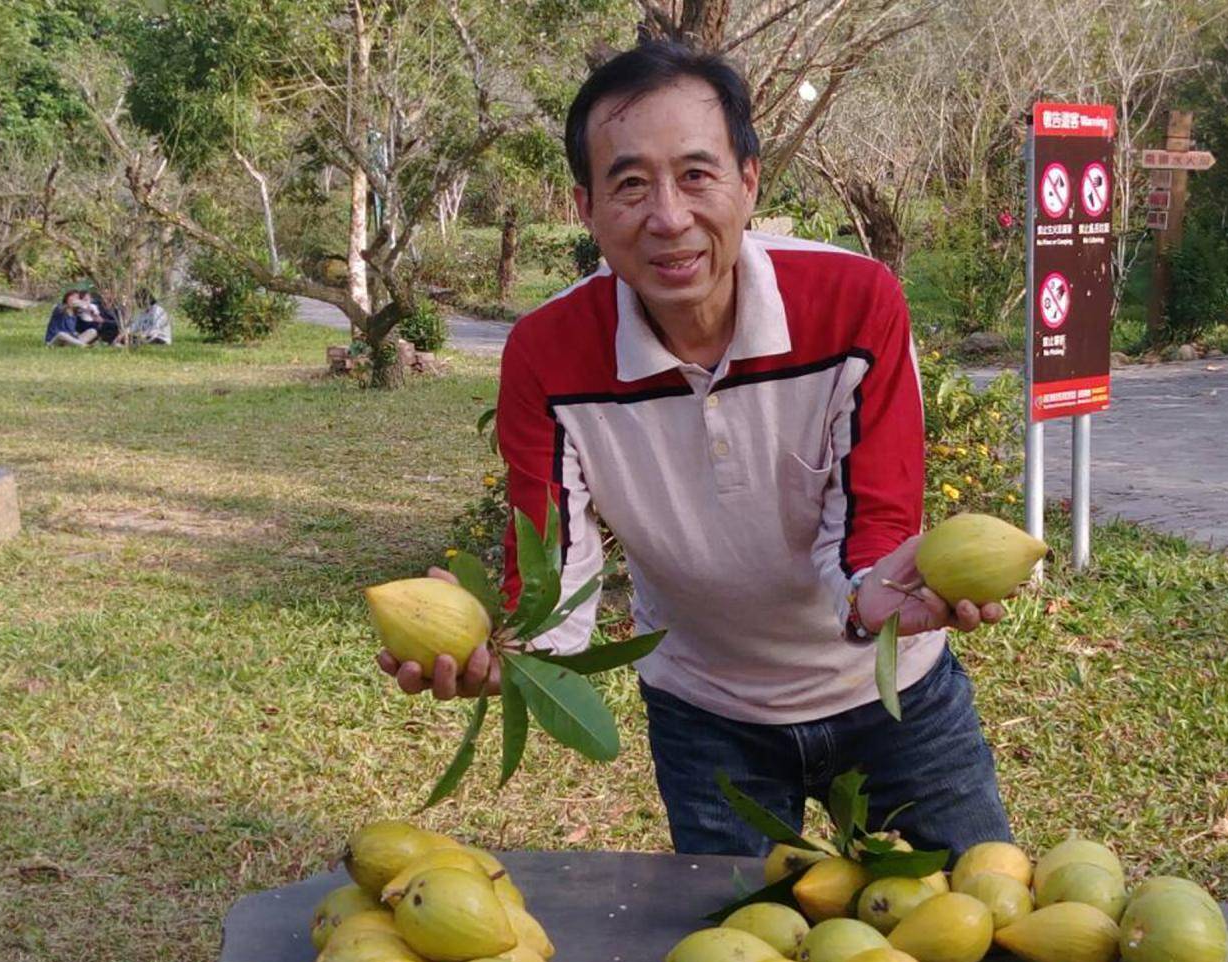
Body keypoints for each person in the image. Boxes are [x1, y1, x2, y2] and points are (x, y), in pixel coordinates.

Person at [376, 41, 1017, 856]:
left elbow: (874, 519)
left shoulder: (855, 305)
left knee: (982, 929)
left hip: (896, 700)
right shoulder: (548, 354)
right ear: (586, 206)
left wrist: (877, 596)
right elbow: (552, 562)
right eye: (631, 183)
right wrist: (511, 655)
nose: (668, 217)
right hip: (705, 715)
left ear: (749, 181)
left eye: (697, 175)